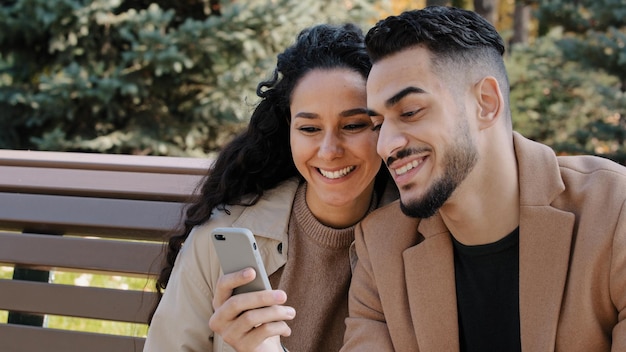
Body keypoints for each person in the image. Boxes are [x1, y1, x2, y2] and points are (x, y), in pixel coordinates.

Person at [341, 6, 626, 352]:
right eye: (378, 124)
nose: (386, 145)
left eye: (410, 112)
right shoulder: (381, 247)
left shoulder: (615, 211)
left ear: (486, 103)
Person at [144, 23, 397, 352]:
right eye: (309, 127)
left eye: (353, 125)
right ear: (287, 129)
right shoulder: (222, 235)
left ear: (385, 126)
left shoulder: (417, 243)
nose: (329, 150)